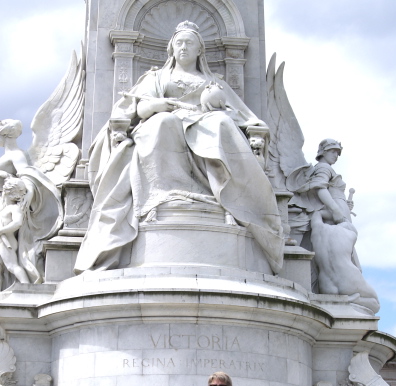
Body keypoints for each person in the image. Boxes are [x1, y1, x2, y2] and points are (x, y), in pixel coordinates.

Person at [75, 20, 283, 275]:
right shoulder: (157, 78)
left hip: (203, 124)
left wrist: (218, 108)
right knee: (163, 122)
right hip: (166, 122)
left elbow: (240, 114)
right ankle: (161, 196)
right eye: (179, 43)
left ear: (199, 50)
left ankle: (225, 197)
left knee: (221, 124)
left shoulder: (211, 81)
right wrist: (156, 106)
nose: (184, 48)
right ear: (171, 48)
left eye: (190, 43)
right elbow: (139, 108)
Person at [0, 119, 62, 293]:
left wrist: (27, 192)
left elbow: (26, 176)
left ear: (5, 135)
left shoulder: (16, 154)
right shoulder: (9, 154)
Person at [287, 139, 379, 313]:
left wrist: (344, 206)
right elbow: (320, 189)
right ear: (323, 152)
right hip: (335, 216)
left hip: (337, 214)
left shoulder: (327, 168)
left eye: (338, 152)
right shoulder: (323, 167)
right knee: (344, 260)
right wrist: (337, 211)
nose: (336, 155)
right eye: (333, 151)